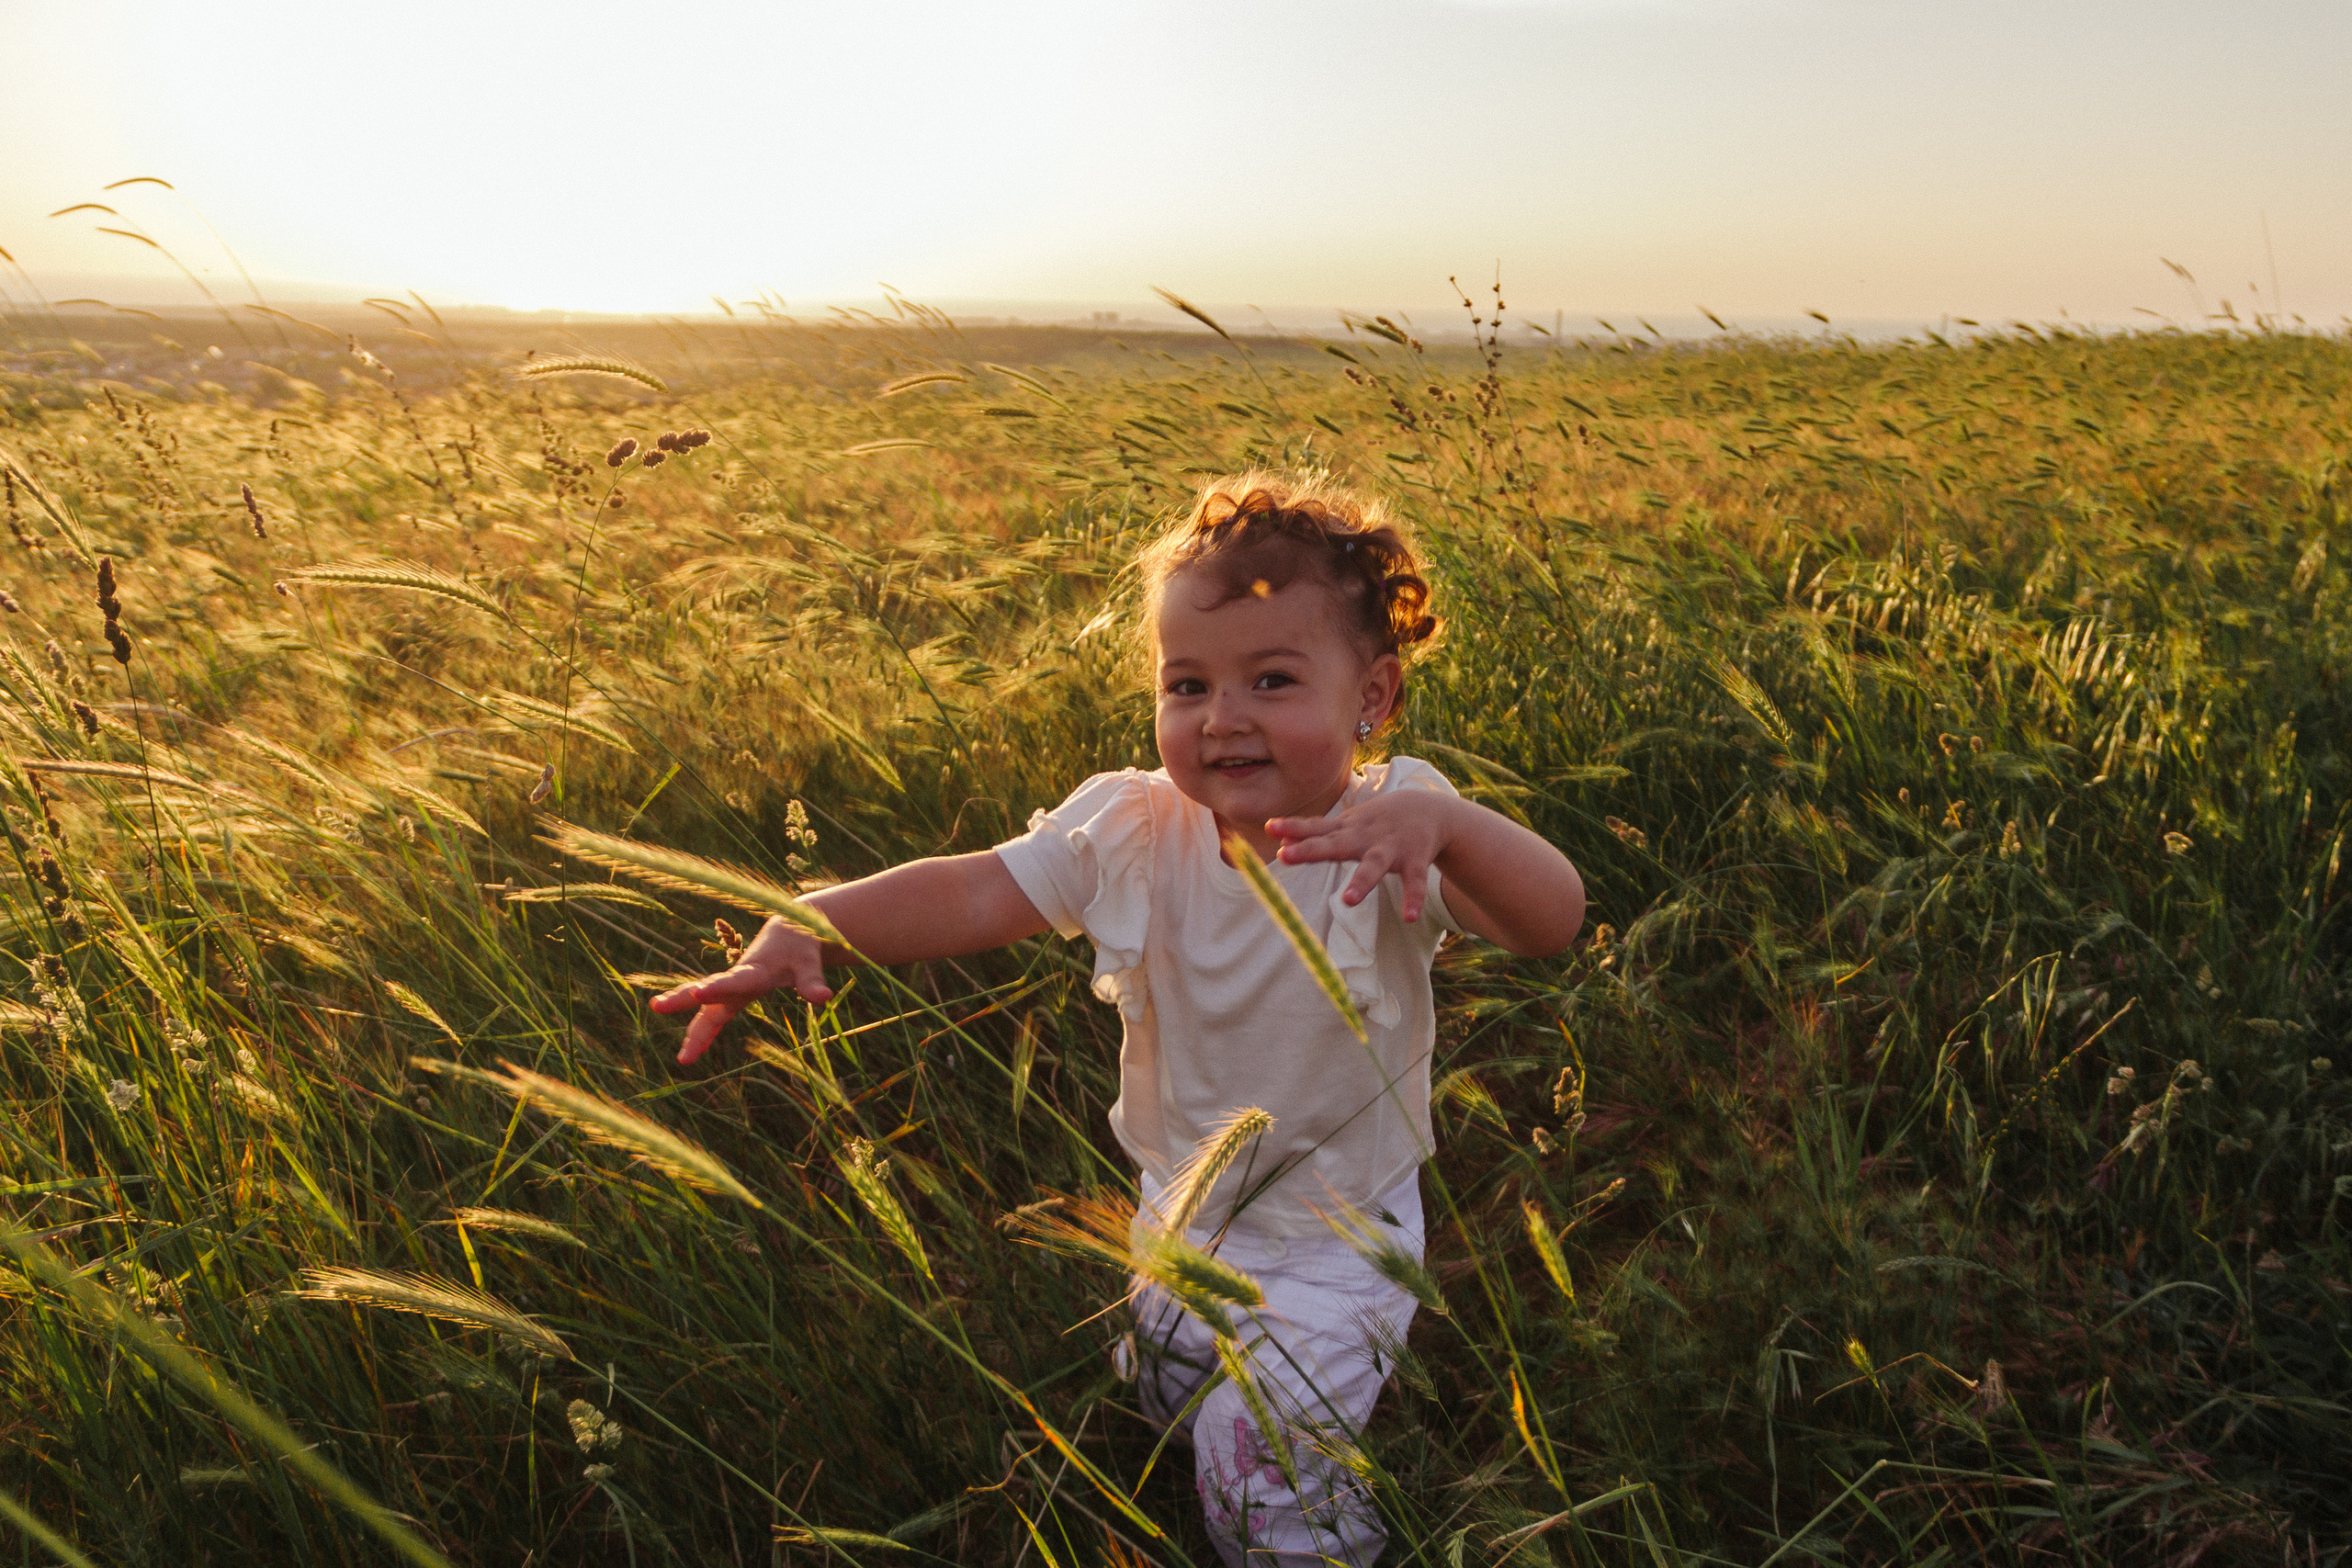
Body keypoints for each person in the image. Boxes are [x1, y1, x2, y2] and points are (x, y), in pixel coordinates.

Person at [651, 471, 1585, 1565]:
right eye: (1187, 684)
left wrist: (1453, 830)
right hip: (1180, 1209)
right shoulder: (1137, 827)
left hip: (1340, 1239)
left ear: (1371, 695)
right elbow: (975, 890)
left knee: (1261, 1467)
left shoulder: (1393, 828)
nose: (1222, 718)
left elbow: (1550, 922)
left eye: (1272, 679)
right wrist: (812, 921)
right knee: (1172, 1404)